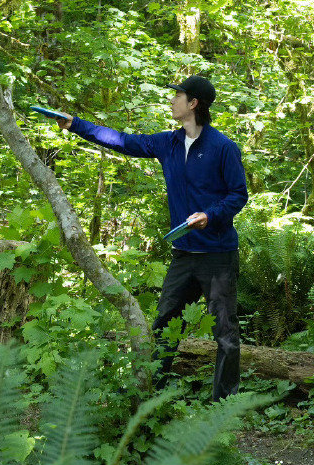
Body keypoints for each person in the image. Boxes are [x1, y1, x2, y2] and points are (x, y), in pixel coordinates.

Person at [56, 75, 248, 400]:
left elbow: (238, 195)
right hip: (183, 254)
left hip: (218, 256)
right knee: (164, 326)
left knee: (225, 332)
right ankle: (150, 394)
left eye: (178, 95)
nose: (172, 100)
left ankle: (224, 405)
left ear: (193, 103)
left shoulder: (223, 148)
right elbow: (122, 141)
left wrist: (209, 215)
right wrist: (76, 125)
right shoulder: (167, 143)